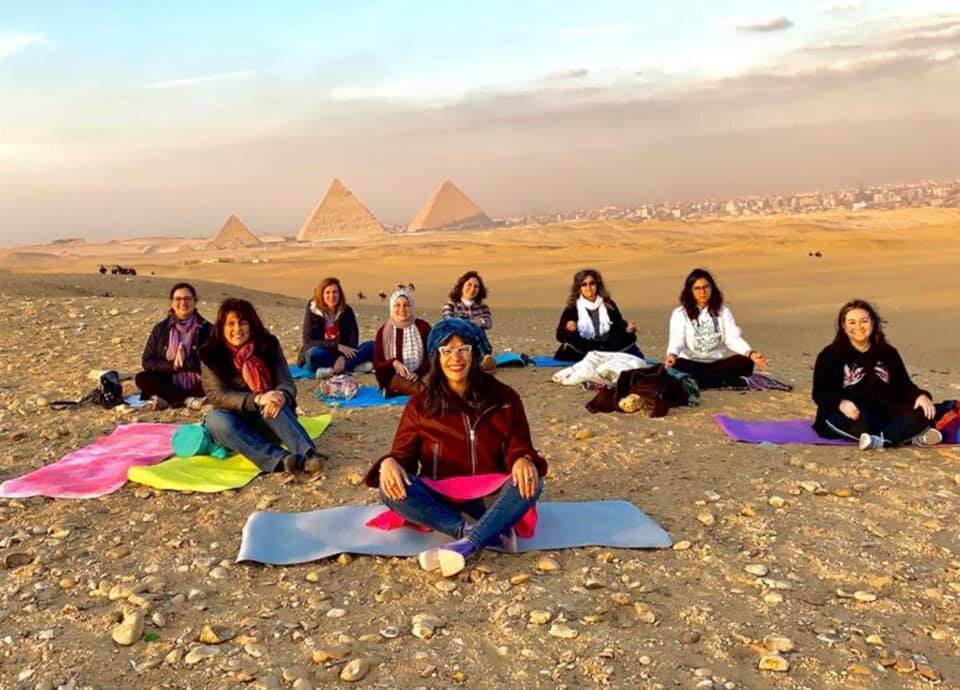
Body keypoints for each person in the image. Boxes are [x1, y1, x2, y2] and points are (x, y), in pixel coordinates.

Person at [365, 318, 547, 577]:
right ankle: (476, 534)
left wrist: (521, 459)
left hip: (490, 496)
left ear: (475, 354)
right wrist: (390, 462)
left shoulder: (505, 398)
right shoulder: (420, 404)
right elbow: (403, 455)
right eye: (446, 350)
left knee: (533, 480)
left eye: (463, 349)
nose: (455, 358)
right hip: (442, 498)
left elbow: (519, 445)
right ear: (436, 356)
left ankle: (467, 544)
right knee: (388, 486)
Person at [200, 298, 323, 473]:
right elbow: (217, 395)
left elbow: (286, 382)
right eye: (231, 324)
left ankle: (308, 455)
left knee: (274, 400)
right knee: (215, 420)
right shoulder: (211, 354)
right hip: (234, 423)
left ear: (251, 324)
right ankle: (281, 461)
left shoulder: (268, 345)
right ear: (222, 327)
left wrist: (281, 395)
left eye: (242, 323)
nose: (237, 329)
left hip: (268, 419)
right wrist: (256, 399)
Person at [812, 299, 941, 450]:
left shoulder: (888, 353)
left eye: (864, 321)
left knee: (924, 411)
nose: (858, 327)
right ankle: (905, 437)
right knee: (853, 421)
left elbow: (903, 385)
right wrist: (840, 402)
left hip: (883, 412)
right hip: (851, 414)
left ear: (873, 322)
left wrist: (920, 396)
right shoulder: (830, 355)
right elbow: (820, 393)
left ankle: (881, 440)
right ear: (843, 326)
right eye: (852, 322)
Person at [664, 268, 768, 388]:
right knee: (677, 367)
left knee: (745, 362)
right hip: (691, 363)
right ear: (690, 291)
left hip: (716, 364)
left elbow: (732, 338)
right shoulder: (680, 313)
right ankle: (725, 382)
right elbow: (677, 340)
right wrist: (672, 355)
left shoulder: (723, 311)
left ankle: (705, 382)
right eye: (697, 288)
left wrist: (751, 353)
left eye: (706, 287)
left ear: (712, 288)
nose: (702, 292)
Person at [135, 282, 212, 410]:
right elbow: (147, 362)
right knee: (142, 378)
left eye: (188, 298)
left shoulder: (208, 329)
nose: (183, 302)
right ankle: (186, 400)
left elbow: (214, 362)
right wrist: (173, 365)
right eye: (178, 299)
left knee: (217, 381)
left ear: (195, 302)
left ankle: (170, 399)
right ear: (172, 303)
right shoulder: (160, 329)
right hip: (169, 380)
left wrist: (186, 363)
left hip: (199, 383)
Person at [554, 268, 642, 362]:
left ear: (597, 285)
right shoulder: (572, 307)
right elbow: (559, 335)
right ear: (579, 288)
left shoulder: (608, 304)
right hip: (585, 346)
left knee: (628, 339)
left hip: (608, 345)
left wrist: (627, 328)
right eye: (584, 284)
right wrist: (568, 328)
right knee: (571, 343)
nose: (589, 287)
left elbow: (618, 324)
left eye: (592, 283)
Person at [298, 277, 374, 376]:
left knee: (372, 346)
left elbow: (353, 340)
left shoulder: (347, 311)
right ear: (321, 294)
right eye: (327, 292)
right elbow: (308, 342)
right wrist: (336, 346)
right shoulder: (313, 310)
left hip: (344, 355)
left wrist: (342, 357)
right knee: (313, 354)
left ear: (339, 294)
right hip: (323, 352)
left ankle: (333, 370)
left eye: (335, 292)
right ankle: (351, 367)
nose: (332, 296)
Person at [373, 288, 433, 397]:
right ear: (392, 307)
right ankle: (416, 389)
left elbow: (432, 355)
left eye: (406, 305)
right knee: (425, 391)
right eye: (397, 305)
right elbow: (377, 363)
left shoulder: (423, 327)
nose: (402, 309)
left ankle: (396, 391)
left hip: (422, 374)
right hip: (395, 376)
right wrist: (393, 363)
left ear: (412, 307)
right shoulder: (383, 331)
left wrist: (418, 373)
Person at [441, 270, 496, 371]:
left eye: (476, 286)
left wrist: (481, 322)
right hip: (457, 340)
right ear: (461, 286)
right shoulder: (450, 305)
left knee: (478, 330)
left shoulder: (483, 307)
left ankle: (483, 360)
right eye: (469, 285)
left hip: (478, 340)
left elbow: (489, 323)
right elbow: (448, 320)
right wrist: (469, 323)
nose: (472, 289)